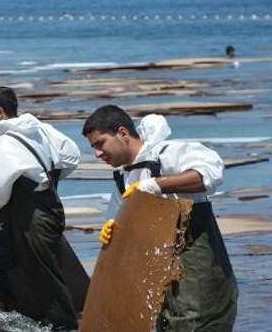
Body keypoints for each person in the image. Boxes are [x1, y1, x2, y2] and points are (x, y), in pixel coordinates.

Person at [82, 105, 238, 332]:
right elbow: (118, 213)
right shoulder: (122, 175)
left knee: (199, 322)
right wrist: (111, 229)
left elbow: (209, 174)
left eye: (100, 143)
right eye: (93, 147)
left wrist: (157, 185)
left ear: (123, 134)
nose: (97, 154)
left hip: (200, 270)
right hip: (160, 274)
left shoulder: (166, 153)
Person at [0, 86, 81, 330]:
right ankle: (15, 318)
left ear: (0, 111)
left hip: (37, 217)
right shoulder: (41, 129)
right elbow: (71, 155)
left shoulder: (5, 143)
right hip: (37, 211)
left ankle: (65, 326)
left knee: (46, 274)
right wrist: (47, 177)